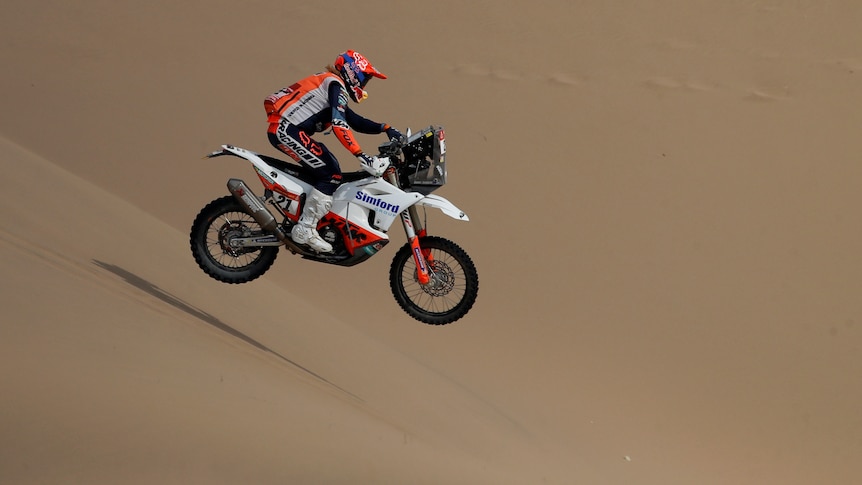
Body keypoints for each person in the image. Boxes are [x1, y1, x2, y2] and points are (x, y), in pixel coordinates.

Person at [264, 50, 403, 253]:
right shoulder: (335, 85)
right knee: (331, 174)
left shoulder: (332, 85)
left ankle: (302, 217)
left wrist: (385, 128)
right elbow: (340, 124)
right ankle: (305, 229)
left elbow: (353, 120)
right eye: (365, 79)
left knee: (328, 166)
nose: (364, 86)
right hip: (286, 129)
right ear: (352, 73)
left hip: (288, 129)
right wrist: (360, 154)